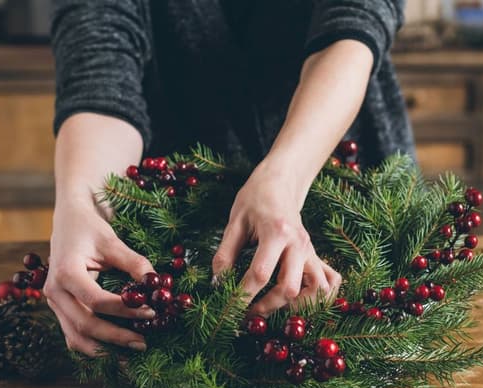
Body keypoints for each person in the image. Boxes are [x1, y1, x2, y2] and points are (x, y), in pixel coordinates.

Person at [46, 1, 414, 357]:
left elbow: (354, 18)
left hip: (346, 177)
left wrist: (283, 177)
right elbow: (100, 68)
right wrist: (82, 203)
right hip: (179, 206)